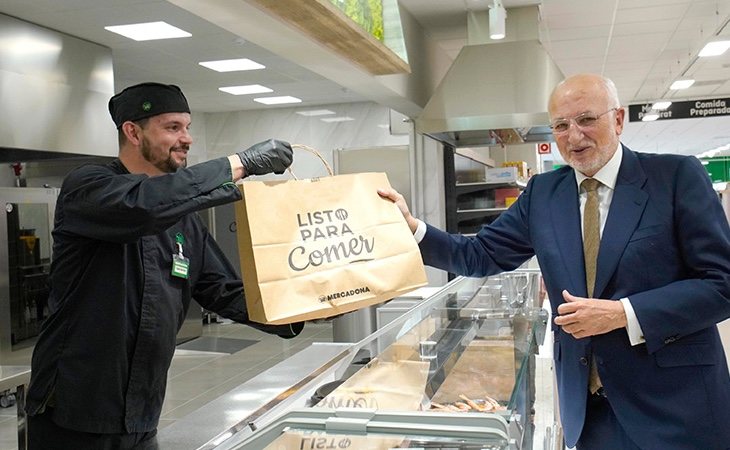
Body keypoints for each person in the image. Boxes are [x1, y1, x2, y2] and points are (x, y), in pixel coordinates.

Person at [379, 73, 730, 449]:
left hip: (676, 407)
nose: (573, 136)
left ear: (618, 119)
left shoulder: (675, 177)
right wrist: (413, 227)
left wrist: (623, 313)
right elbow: (478, 255)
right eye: (561, 125)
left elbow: (721, 283)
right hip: (589, 413)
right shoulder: (544, 194)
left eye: (586, 119)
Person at [25, 82, 303, 449]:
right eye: (172, 127)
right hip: (75, 412)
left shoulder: (184, 219)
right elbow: (142, 208)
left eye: (187, 127)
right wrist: (240, 164)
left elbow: (225, 291)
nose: (186, 138)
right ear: (132, 131)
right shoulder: (89, 187)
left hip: (142, 412)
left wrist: (309, 302)